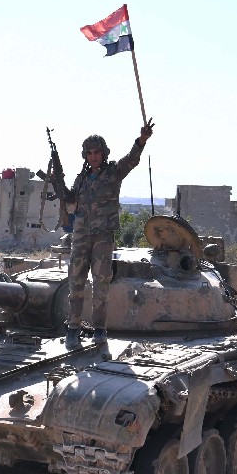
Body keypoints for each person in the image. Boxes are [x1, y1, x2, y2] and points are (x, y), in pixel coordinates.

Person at [61, 118, 155, 356]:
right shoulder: (81, 179)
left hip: (103, 236)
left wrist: (141, 141)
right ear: (85, 155)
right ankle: (73, 328)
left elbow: (131, 160)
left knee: (101, 283)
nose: (93, 157)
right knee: (75, 282)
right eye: (89, 153)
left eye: (97, 153)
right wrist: (57, 184)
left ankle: (99, 329)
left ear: (103, 154)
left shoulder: (113, 173)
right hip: (80, 236)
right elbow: (72, 203)